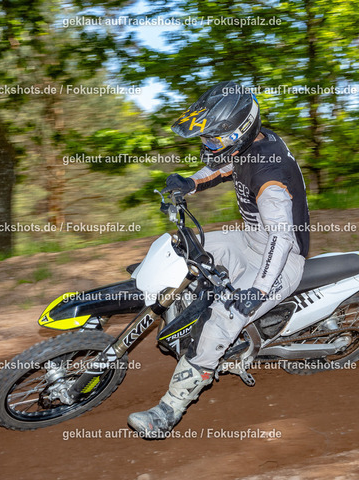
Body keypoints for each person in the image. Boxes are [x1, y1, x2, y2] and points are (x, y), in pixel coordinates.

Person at [127, 80, 310, 438]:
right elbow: (228, 167)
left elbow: (281, 238)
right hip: (251, 239)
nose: (208, 146)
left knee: (225, 316)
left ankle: (169, 410)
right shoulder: (253, 145)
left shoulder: (270, 180)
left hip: (280, 258)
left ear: (240, 132)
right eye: (207, 139)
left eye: (213, 140)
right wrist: (190, 183)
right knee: (182, 248)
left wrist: (257, 291)